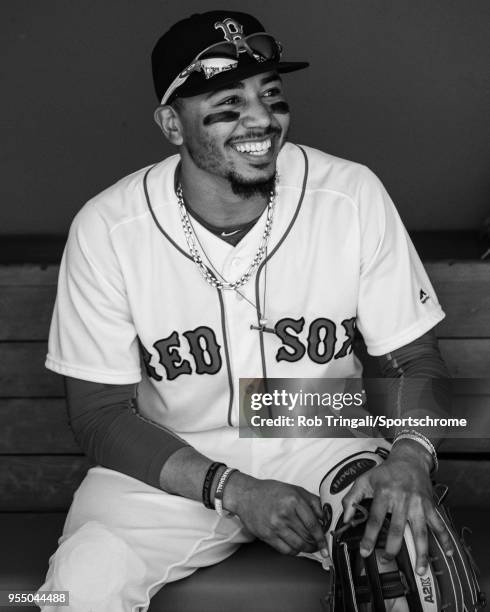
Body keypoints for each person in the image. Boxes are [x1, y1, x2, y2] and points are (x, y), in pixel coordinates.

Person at [39, 10, 454, 611]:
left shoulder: (349, 193)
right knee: (76, 591)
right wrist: (233, 489)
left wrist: (413, 455)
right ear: (171, 124)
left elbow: (416, 360)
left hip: (322, 436)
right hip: (172, 459)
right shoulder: (108, 227)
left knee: (413, 565)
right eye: (228, 103)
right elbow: (99, 416)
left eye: (271, 95)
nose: (261, 119)